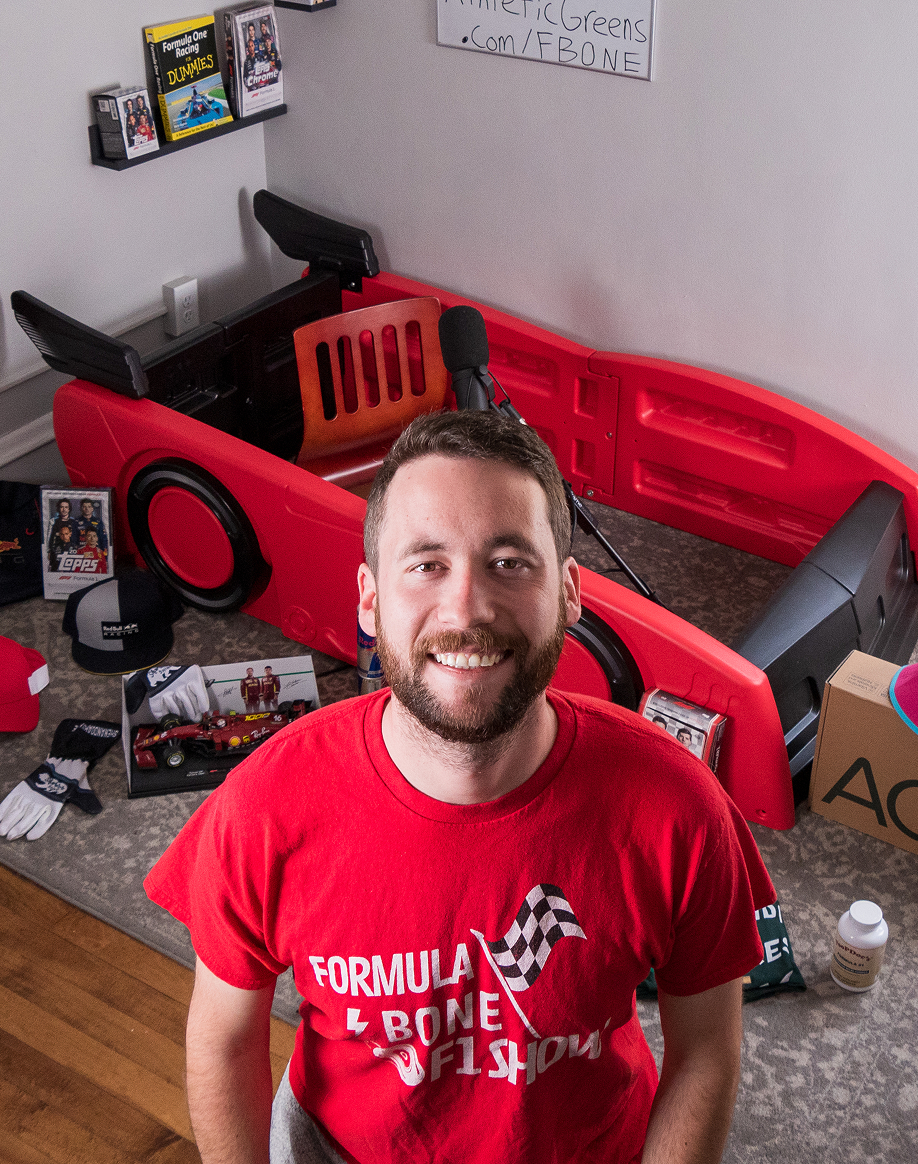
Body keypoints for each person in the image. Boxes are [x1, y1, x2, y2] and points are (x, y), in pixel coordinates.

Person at [145, 411, 774, 1164]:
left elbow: (706, 1051)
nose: (467, 608)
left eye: (509, 562)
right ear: (370, 598)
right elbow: (223, 1042)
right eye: (426, 564)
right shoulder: (264, 804)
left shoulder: (678, 807)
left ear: (570, 593)